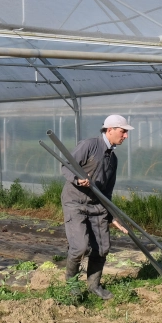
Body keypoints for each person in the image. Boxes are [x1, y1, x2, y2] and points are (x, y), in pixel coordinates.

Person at [60, 115, 131, 300]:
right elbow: (66, 166)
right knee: (80, 247)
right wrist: (77, 179)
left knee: (102, 248)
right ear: (110, 130)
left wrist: (112, 216)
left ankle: (94, 286)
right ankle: (72, 284)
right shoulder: (89, 145)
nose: (126, 136)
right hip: (75, 202)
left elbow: (107, 192)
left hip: (97, 206)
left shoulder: (112, 159)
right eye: (123, 131)